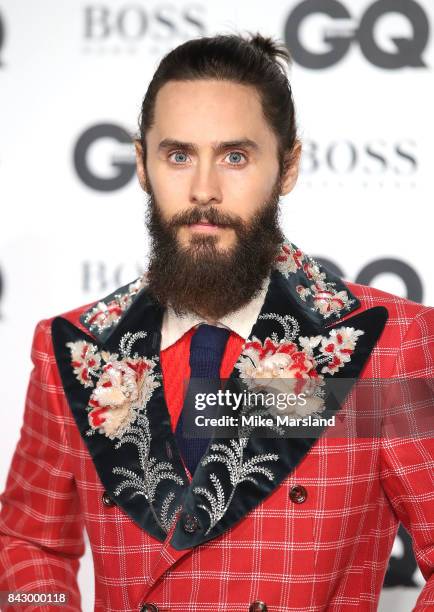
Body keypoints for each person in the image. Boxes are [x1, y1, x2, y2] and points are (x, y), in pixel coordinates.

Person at [0, 32, 433, 612]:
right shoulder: (75, 351)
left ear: (287, 166)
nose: (204, 191)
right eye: (178, 155)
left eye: (235, 156)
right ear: (141, 164)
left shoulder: (387, 342)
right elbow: (31, 542)